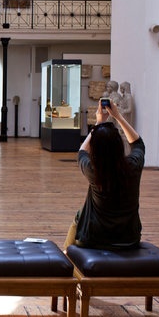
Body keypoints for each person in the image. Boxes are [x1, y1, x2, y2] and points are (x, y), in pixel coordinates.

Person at [65, 98, 145, 250]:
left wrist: (98, 123)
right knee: (81, 213)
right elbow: (138, 144)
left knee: (79, 216)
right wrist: (118, 117)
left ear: (95, 149)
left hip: (95, 238)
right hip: (129, 239)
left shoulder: (93, 170)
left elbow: (82, 152)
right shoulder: (133, 166)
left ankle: (67, 255)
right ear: (119, 144)